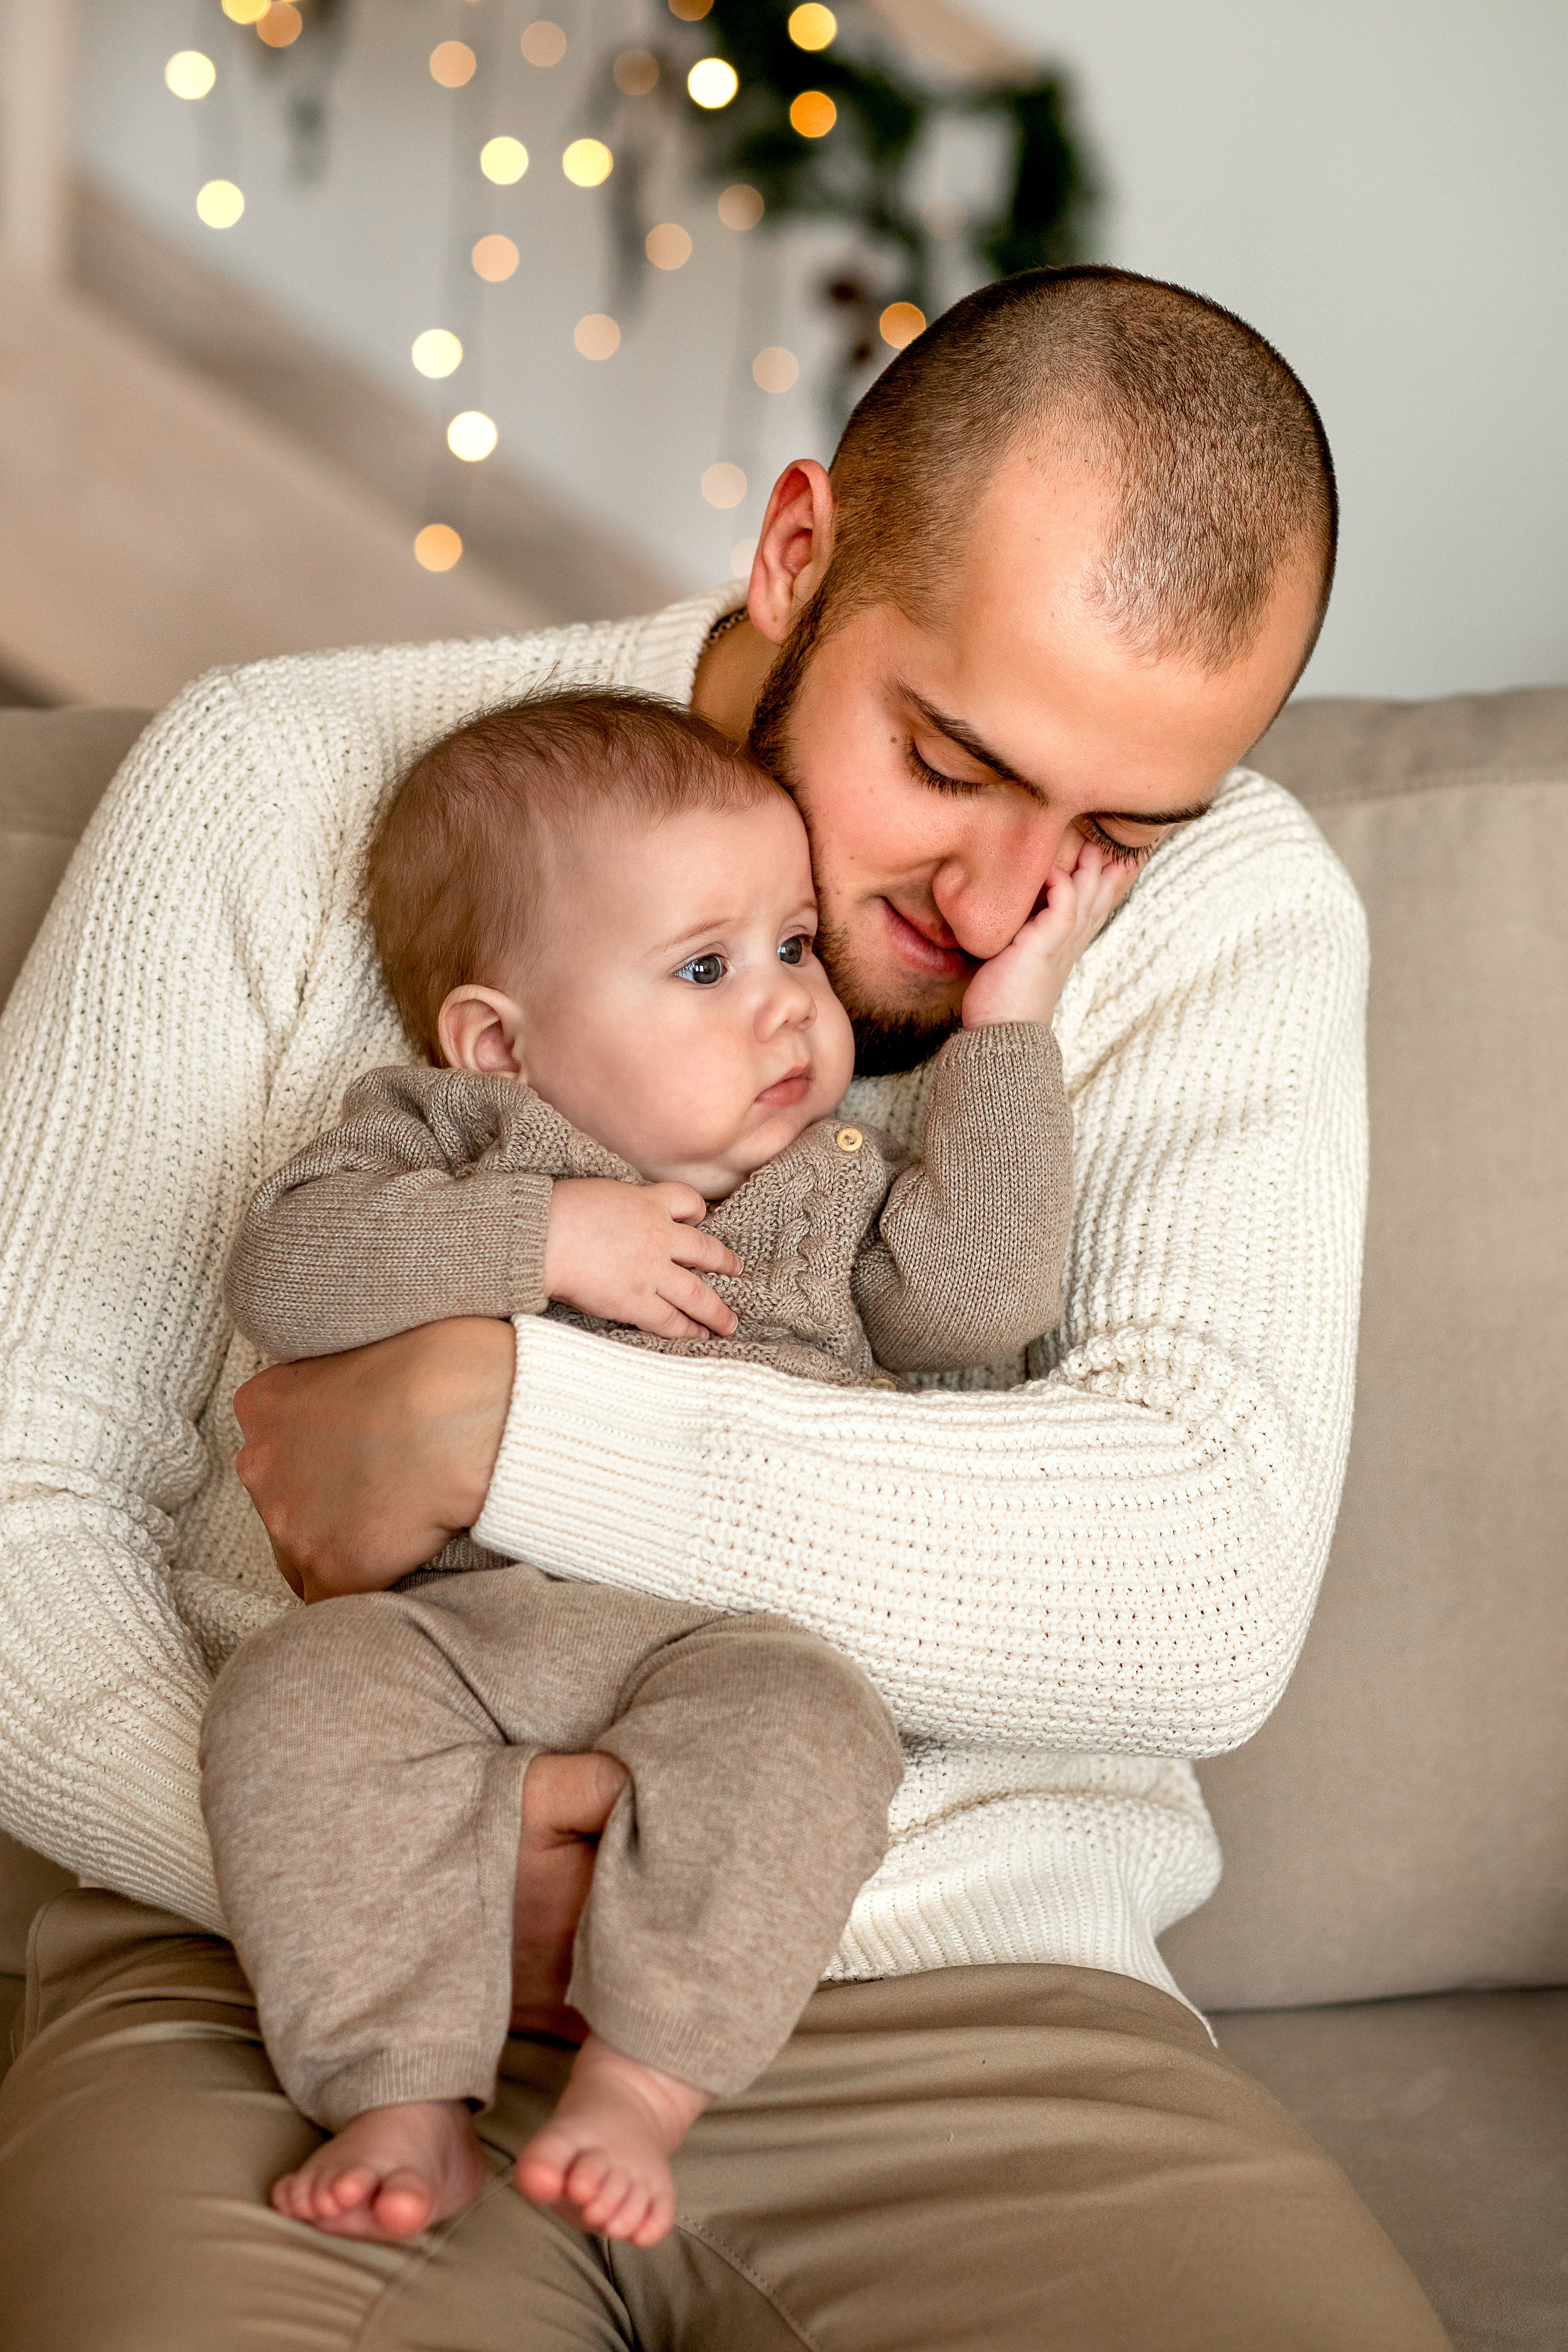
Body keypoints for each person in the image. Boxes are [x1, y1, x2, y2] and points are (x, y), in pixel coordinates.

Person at [0, 266, 1453, 2349]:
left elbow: (1199, 1590)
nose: (994, 905)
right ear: (798, 556)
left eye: (1114, 831)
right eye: (951, 758)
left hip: (952, 1987)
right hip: (267, 1963)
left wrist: (501, 1421)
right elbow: (16, 1491)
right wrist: (394, 1865)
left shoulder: (1232, 919)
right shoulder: (278, 783)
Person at [205, 684, 1102, 2248]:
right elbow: (285, 1270)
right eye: (704, 966)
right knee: (291, 1699)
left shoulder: (824, 1193)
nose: (782, 1006)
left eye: (794, 947)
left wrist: (1006, 1030)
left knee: (812, 1730)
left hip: (724, 1648)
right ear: (498, 1040)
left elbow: (978, 1295)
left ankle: (645, 2081)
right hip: (448, 1640)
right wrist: (539, 1234)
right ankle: (396, 2092)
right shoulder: (450, 1135)